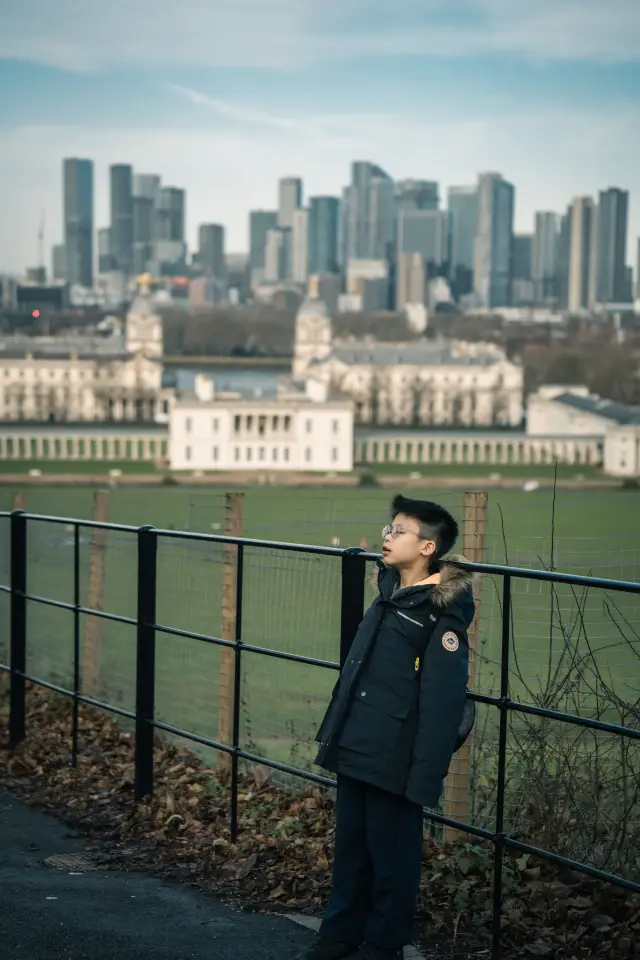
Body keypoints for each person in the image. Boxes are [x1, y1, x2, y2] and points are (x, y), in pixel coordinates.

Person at [299, 495, 476, 960]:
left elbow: (442, 707)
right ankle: (339, 934)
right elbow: (356, 674)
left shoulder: (441, 615)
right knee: (352, 851)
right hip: (357, 745)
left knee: (392, 857)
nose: (388, 537)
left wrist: (424, 778)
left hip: (397, 759)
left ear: (427, 547)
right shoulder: (386, 594)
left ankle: (383, 944)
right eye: (388, 529)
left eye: (399, 531)